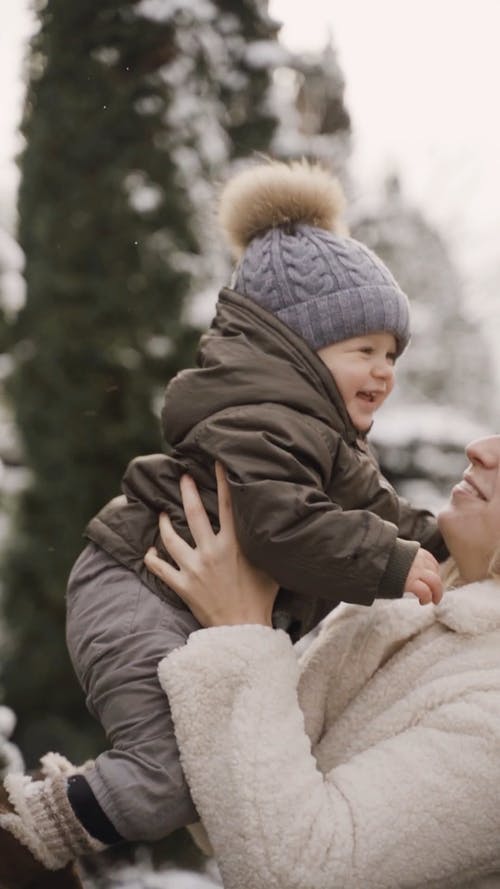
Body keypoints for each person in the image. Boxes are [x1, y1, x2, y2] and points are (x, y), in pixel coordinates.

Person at [0, 160, 447, 881]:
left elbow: (381, 512)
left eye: (391, 353)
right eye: (363, 349)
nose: (385, 369)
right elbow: (282, 526)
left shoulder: (324, 437)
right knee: (170, 780)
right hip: (138, 590)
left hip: (173, 598)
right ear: (295, 350)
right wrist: (390, 562)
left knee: (201, 773)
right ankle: (27, 832)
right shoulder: (263, 422)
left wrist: (440, 541)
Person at [148, 439, 500, 889]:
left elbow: (298, 873)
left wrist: (237, 626)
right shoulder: (408, 610)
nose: (479, 450)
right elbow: (226, 811)